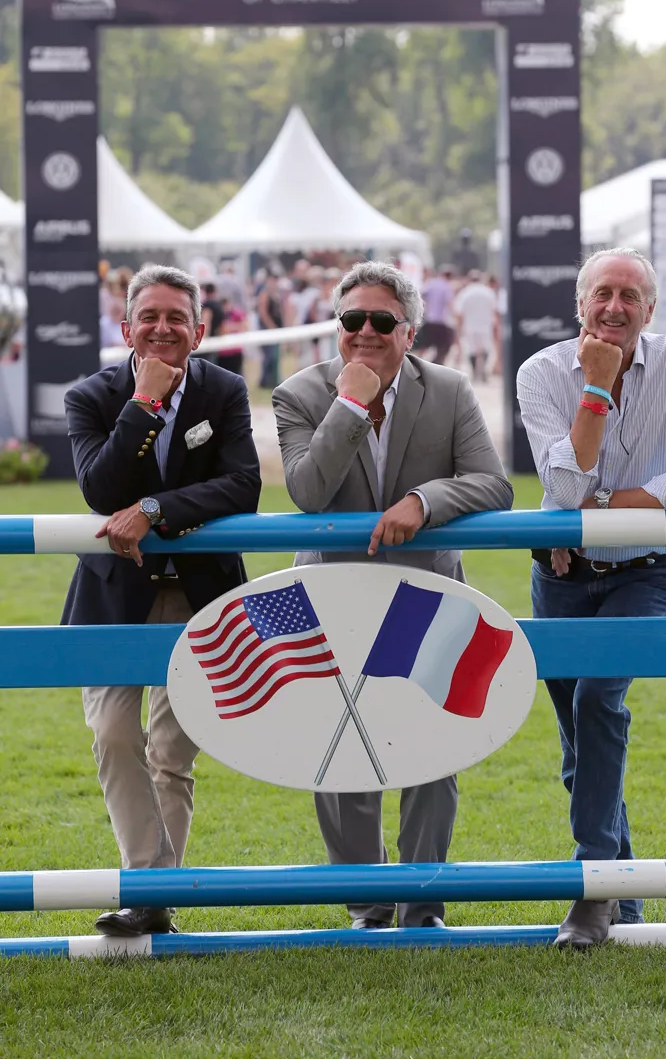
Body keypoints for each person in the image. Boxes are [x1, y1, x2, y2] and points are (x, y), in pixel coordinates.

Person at [273, 260, 513, 929]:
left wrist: (422, 501)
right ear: (337, 328)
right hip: (332, 596)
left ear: (410, 331)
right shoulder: (298, 393)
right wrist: (350, 403)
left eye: (382, 321)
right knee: (340, 751)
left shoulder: (451, 389)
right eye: (352, 320)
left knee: (432, 750)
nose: (366, 332)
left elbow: (492, 484)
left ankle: (423, 902)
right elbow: (306, 490)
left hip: (425, 598)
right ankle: (367, 903)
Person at [516, 247, 666, 948]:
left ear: (650, 311)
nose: (615, 307)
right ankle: (622, 904)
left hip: (647, 568)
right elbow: (565, 492)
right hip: (562, 574)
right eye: (603, 293)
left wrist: (598, 501)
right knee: (580, 747)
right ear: (580, 304)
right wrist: (596, 390)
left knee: (599, 698)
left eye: (631, 296)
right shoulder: (540, 373)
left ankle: (591, 887)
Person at [62, 264, 261, 938]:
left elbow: (243, 487)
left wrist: (152, 508)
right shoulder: (90, 396)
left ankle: (150, 898)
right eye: (149, 316)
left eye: (177, 317)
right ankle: (155, 882)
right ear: (126, 327)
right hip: (114, 591)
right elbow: (98, 489)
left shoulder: (225, 390)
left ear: (199, 330)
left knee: (172, 753)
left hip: (200, 593)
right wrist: (143, 404)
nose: (163, 327)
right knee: (112, 734)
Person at [454, 271, 498, 383]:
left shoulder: (465, 293)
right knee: (486, 349)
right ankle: (483, 370)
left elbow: (459, 312)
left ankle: (474, 371)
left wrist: (459, 327)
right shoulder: (488, 292)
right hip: (485, 325)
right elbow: (495, 310)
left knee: (471, 350)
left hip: (470, 326)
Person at [417, 266, 455, 365]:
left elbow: (420, 294)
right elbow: (450, 303)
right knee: (443, 346)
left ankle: (415, 362)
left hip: (430, 320)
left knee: (424, 345)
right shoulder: (447, 286)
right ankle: (439, 363)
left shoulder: (431, 283)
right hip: (441, 322)